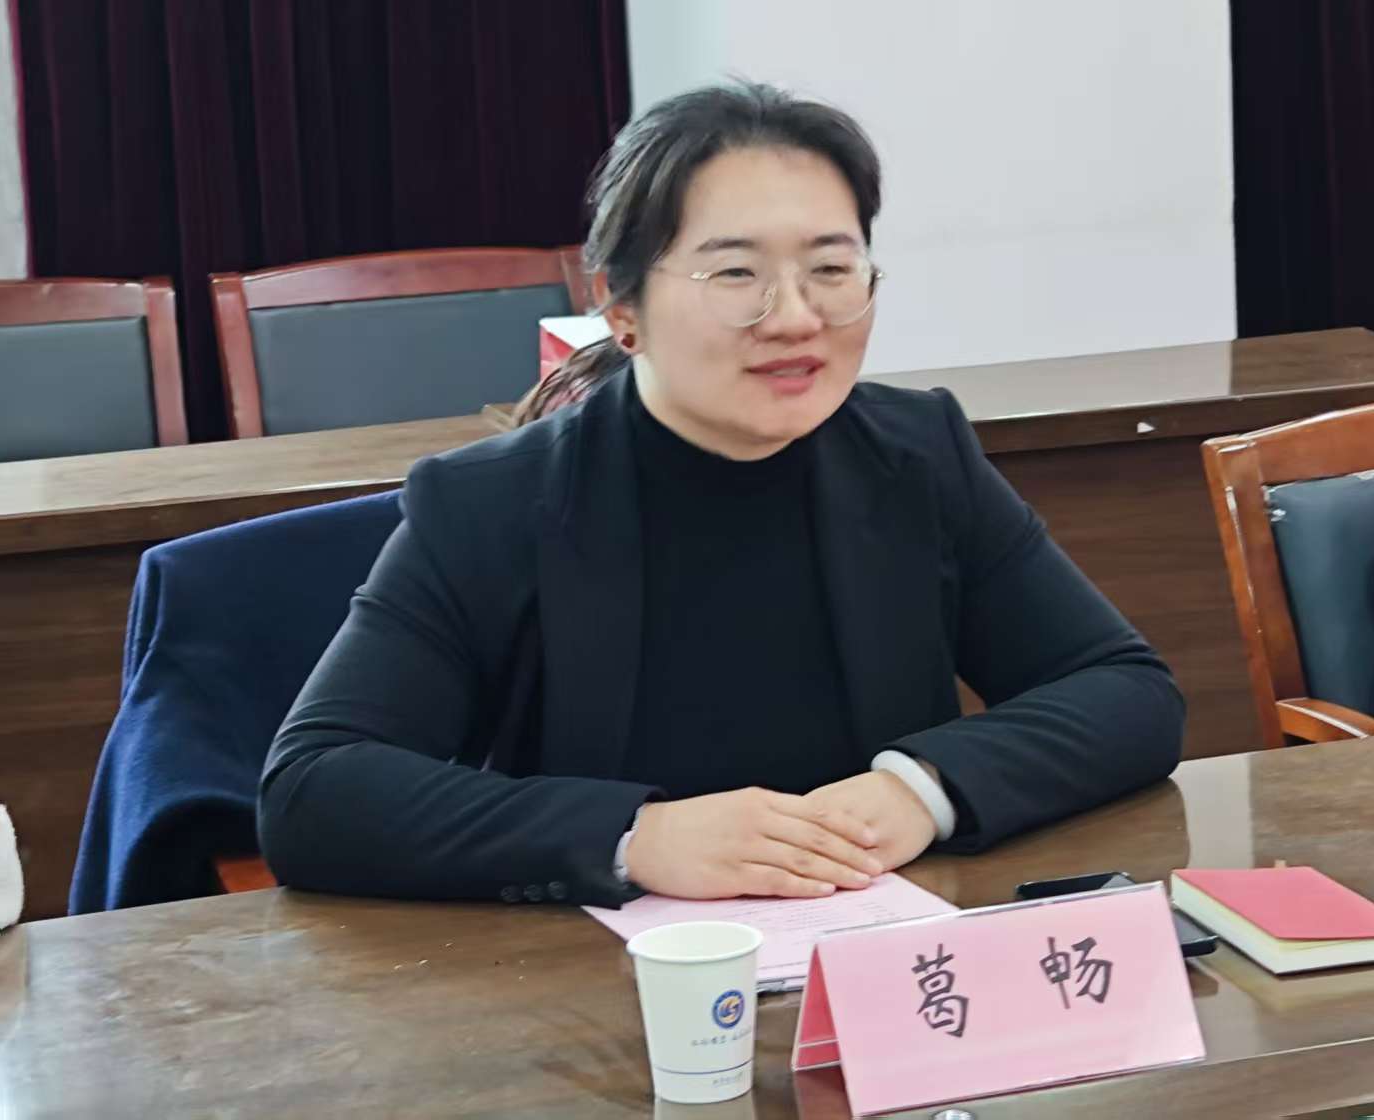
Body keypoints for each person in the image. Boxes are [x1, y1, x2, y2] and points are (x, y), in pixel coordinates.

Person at [258, 82, 1185, 910]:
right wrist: (637, 837)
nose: (796, 317)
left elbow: (1127, 691)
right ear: (621, 307)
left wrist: (918, 789)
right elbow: (312, 791)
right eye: (736, 273)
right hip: (599, 987)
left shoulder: (917, 455)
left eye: (832, 269)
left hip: (876, 946)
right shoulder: (494, 502)